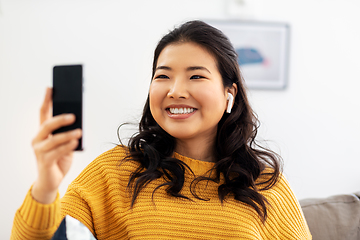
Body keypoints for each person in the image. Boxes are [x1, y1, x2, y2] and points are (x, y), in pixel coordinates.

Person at [11, 20, 311, 239]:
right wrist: (46, 186)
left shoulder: (265, 184)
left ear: (229, 93)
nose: (176, 91)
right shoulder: (113, 171)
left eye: (196, 76)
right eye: (163, 76)